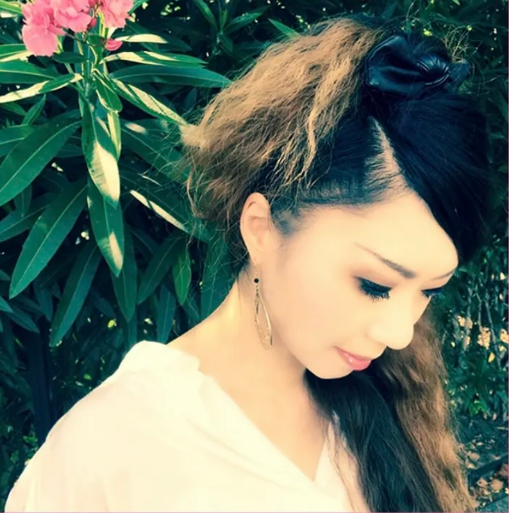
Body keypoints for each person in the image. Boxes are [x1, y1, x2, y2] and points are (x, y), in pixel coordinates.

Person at [5, 12, 495, 513]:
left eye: (429, 291)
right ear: (261, 227)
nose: (400, 333)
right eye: (374, 284)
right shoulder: (111, 448)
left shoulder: (389, 408)